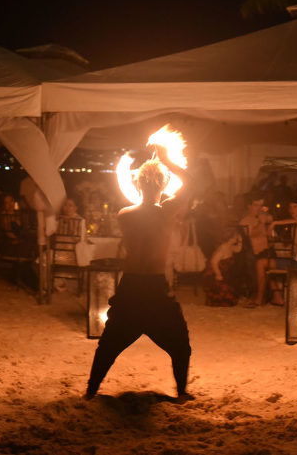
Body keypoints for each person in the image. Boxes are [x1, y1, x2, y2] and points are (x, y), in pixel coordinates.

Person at [86, 144, 193, 402]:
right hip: (155, 288)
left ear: (137, 185)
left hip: (131, 287)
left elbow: (143, 211)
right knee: (181, 346)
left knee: (108, 346)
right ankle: (181, 393)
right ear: (164, 185)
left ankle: (90, 392)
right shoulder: (166, 213)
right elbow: (190, 182)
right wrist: (168, 159)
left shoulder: (125, 214)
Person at [239, 195, 276, 307]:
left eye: (261, 205)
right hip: (254, 253)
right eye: (256, 205)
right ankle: (262, 297)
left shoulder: (266, 218)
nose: (259, 208)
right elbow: (250, 235)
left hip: (268, 251)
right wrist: (260, 223)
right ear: (249, 206)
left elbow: (271, 235)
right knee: (262, 262)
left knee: (273, 261)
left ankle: (274, 296)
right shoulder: (245, 220)